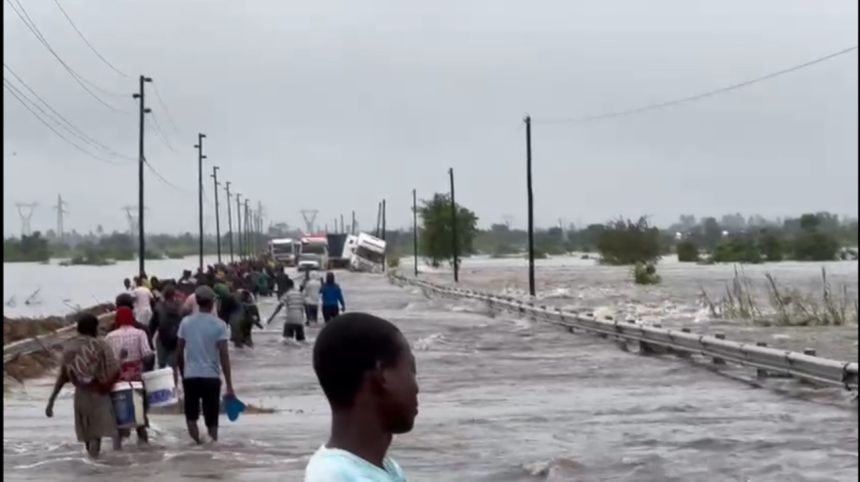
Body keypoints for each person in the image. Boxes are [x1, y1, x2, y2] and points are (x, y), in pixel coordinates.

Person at [304, 313, 418, 482]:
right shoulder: (334, 477)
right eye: (411, 372)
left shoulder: (387, 468)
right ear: (384, 374)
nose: (416, 388)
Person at [46, 313, 121, 459]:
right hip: (99, 394)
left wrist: (51, 401)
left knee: (86, 432)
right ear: (94, 328)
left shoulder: (70, 347)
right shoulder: (101, 345)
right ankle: (94, 464)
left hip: (80, 395)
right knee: (96, 433)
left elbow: (63, 375)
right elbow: (113, 369)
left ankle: (90, 464)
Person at [176, 286, 236, 444]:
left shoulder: (185, 322)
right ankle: (211, 449)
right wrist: (229, 384)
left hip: (191, 376)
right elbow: (224, 355)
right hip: (211, 377)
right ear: (211, 303)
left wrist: (182, 374)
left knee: (191, 418)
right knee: (212, 420)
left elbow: (179, 352)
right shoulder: (219, 325)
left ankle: (198, 444)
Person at [104, 307, 153, 444]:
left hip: (116, 382)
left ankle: (118, 452)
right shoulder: (140, 333)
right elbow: (147, 355)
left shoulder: (109, 336)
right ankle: (145, 450)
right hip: (136, 381)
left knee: (118, 419)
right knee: (140, 419)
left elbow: (106, 360)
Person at [150, 285, 184, 369]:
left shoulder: (158, 307)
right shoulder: (180, 306)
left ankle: (164, 379)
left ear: (164, 294)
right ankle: (178, 380)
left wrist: (149, 340)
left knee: (162, 365)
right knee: (175, 366)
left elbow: (152, 326)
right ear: (174, 294)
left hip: (163, 339)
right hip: (177, 340)